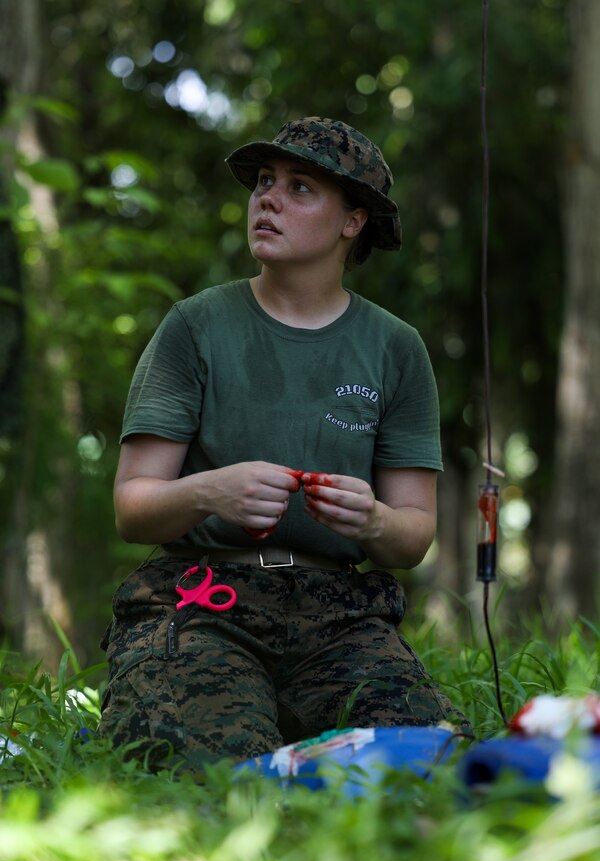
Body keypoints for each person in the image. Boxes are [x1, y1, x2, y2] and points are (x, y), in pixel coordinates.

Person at [98, 116, 467, 775]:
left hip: (340, 616)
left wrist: (375, 519)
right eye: (265, 182)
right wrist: (211, 490)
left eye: (300, 188)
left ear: (353, 221)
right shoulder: (194, 326)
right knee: (214, 768)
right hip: (204, 597)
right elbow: (133, 506)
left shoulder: (395, 348)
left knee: (424, 758)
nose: (267, 198)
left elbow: (413, 537)